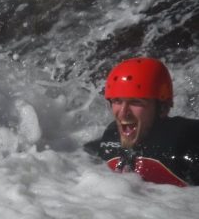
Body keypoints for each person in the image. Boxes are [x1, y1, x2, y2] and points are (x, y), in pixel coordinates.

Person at [84, 57, 199, 187]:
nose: (123, 112)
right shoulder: (110, 139)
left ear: (163, 108)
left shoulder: (186, 144)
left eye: (135, 102)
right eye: (117, 101)